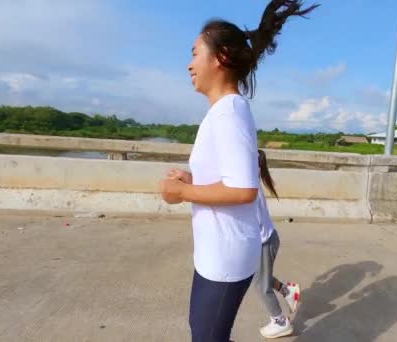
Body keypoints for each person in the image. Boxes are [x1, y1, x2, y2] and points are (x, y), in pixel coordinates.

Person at [159, 1, 318, 341]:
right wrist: (192, 181)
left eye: (194, 53)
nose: (188, 65)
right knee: (202, 330)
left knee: (207, 336)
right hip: (215, 251)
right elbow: (230, 179)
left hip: (225, 256)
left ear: (220, 58)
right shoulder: (223, 112)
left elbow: (243, 190)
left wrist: (183, 192)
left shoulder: (230, 111)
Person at [254, 149, 301, 339]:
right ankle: (287, 290)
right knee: (259, 277)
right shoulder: (249, 183)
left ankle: (280, 321)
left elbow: (254, 225)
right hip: (264, 240)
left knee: (260, 284)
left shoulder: (250, 189)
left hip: (265, 242)